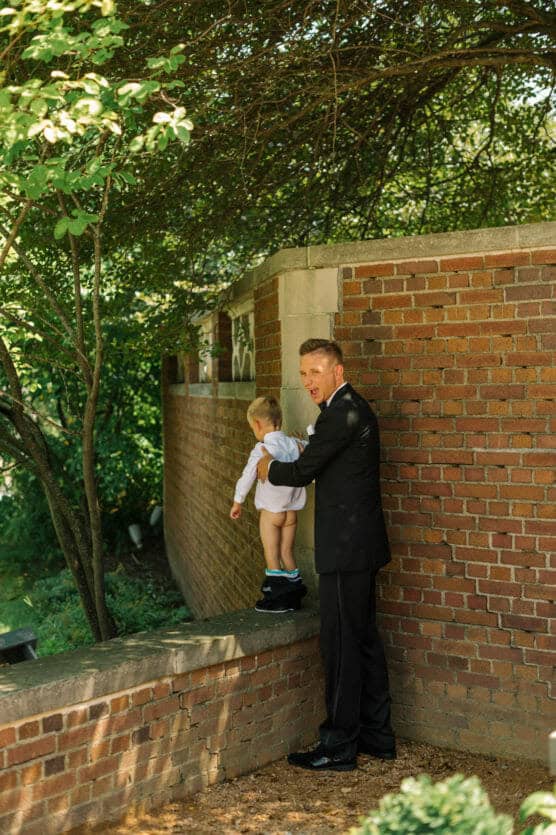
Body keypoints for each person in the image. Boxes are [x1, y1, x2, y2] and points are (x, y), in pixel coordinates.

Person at [257, 338, 395, 771]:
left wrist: (268, 469)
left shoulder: (343, 412)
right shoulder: (346, 411)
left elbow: (303, 470)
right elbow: (325, 458)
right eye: (302, 374)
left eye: (315, 372)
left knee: (340, 645)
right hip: (360, 547)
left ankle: (337, 746)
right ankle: (377, 737)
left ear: (338, 371)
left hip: (346, 549)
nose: (307, 381)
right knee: (363, 639)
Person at [230, 395, 308, 613]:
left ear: (257, 424)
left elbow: (247, 477)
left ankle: (278, 600)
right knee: (287, 553)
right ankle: (295, 596)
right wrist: (305, 443)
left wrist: (238, 501)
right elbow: (311, 454)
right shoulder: (296, 444)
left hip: (271, 514)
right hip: (291, 512)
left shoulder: (261, 450)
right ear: (279, 421)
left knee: (272, 555)